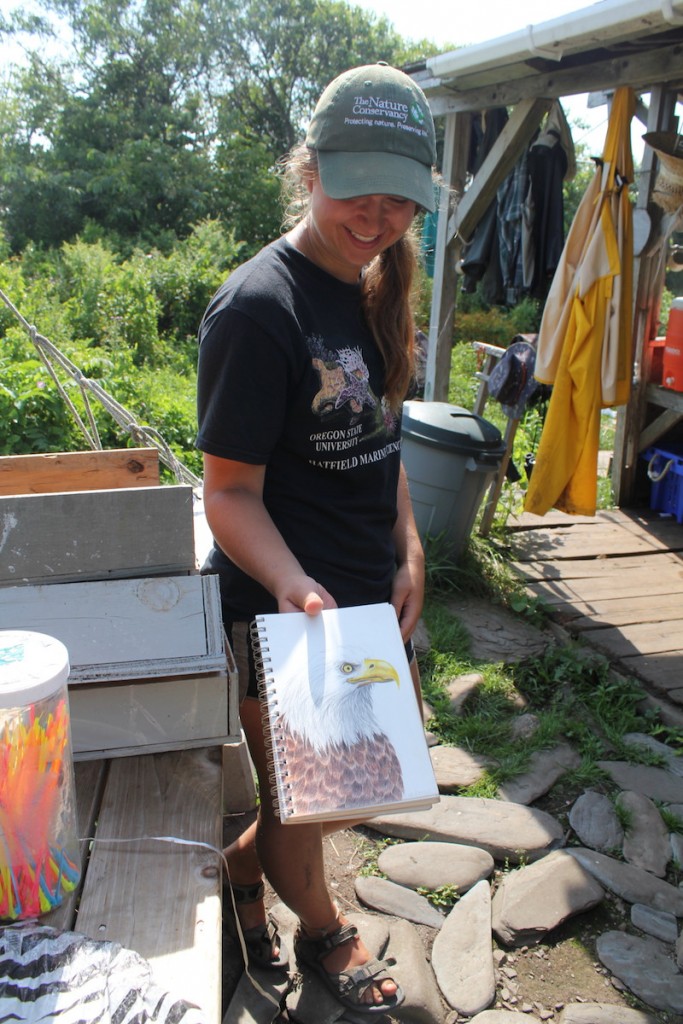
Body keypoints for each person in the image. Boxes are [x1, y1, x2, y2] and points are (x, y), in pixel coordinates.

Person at [196, 62, 436, 1015]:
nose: (374, 217)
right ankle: (323, 928)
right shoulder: (259, 309)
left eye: (398, 199)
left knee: (350, 784)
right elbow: (227, 495)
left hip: (368, 599)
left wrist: (409, 544)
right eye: (354, 190)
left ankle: (238, 872)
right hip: (284, 607)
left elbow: (384, 437)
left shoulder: (377, 282)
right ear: (308, 169)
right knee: (309, 795)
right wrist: (298, 587)